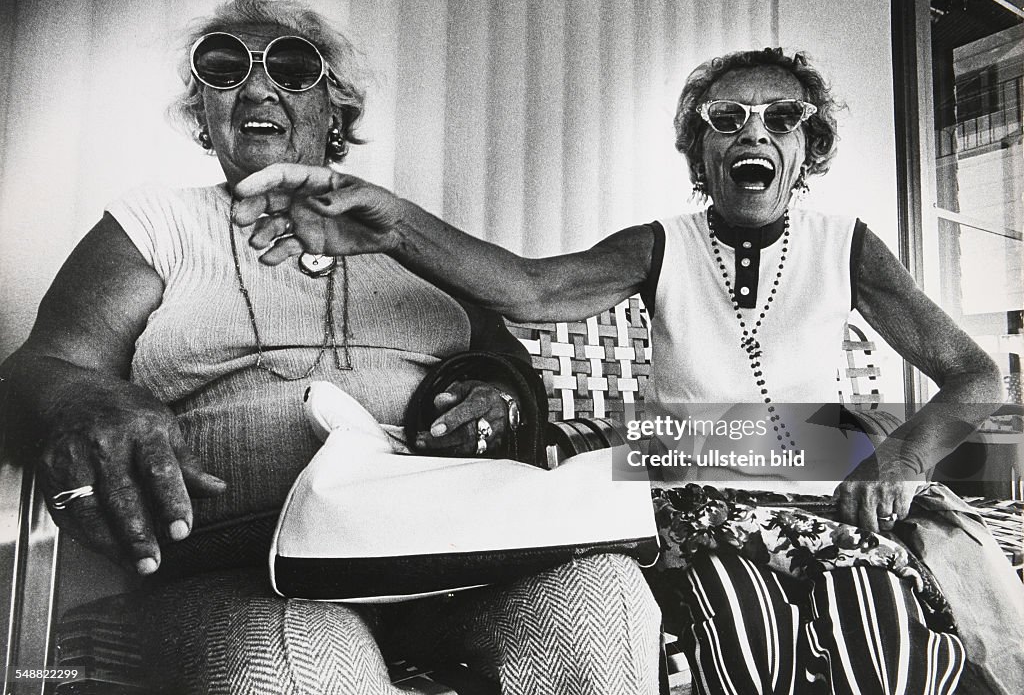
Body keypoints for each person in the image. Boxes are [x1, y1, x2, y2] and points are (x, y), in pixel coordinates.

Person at [227, 48, 1024, 693]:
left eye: (782, 118)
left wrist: (902, 459)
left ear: (806, 149)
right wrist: (395, 224)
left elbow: (975, 376)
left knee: (884, 632)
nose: (754, 134)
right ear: (699, 153)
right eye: (726, 119)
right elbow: (531, 291)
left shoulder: (845, 243)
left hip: (832, 490)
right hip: (694, 501)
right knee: (747, 645)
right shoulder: (661, 243)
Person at [0, 0, 662, 694]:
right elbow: (41, 367)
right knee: (306, 662)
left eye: (291, 68)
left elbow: (510, 368)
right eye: (223, 70)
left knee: (600, 597)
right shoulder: (157, 224)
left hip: (458, 557)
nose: (257, 86)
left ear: (336, 114)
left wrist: (495, 401)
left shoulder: (402, 233)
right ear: (202, 117)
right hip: (248, 571)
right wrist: (90, 395)